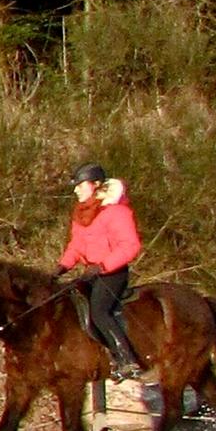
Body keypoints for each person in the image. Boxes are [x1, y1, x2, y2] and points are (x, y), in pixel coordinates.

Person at [52, 162, 144, 382]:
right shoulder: (82, 214)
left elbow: (130, 245)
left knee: (99, 311)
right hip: (90, 272)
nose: (76, 190)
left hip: (112, 273)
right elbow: (76, 246)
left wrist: (103, 266)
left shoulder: (117, 212)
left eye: (79, 185)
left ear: (95, 185)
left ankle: (126, 359)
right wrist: (61, 267)